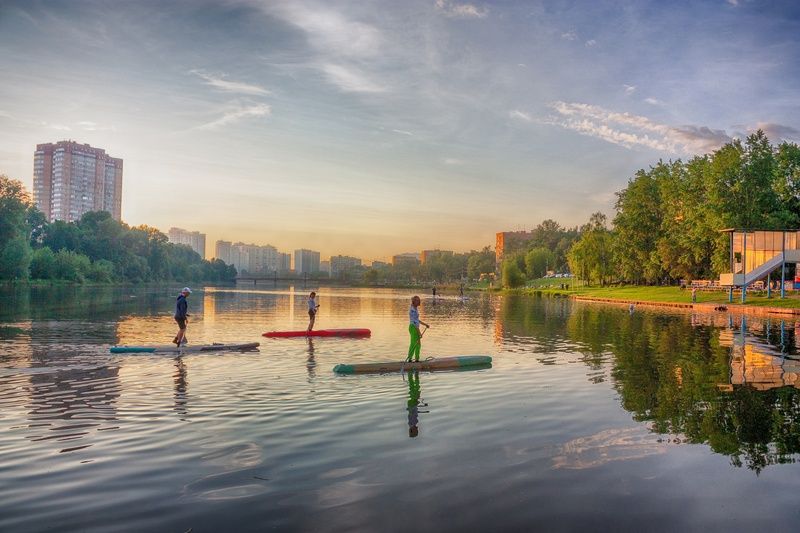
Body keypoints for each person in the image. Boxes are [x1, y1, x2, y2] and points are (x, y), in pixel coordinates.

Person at [407, 295, 430, 362]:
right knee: (416, 344)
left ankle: (412, 359)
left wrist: (425, 324)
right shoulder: (413, 310)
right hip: (413, 328)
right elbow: (415, 323)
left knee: (414, 343)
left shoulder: (415, 308)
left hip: (413, 327)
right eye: (417, 301)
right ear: (414, 302)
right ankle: (414, 359)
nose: (419, 302)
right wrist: (419, 333)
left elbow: (417, 320)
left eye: (419, 300)